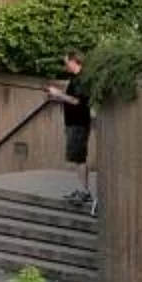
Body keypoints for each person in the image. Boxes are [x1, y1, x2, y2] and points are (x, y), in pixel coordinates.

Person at [50, 51, 95, 209]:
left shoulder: (81, 80)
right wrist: (58, 97)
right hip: (73, 122)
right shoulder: (76, 79)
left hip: (79, 123)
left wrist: (59, 94)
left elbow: (77, 101)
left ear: (75, 62)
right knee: (77, 158)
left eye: (66, 62)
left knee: (79, 157)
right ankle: (83, 189)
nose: (65, 65)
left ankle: (85, 192)